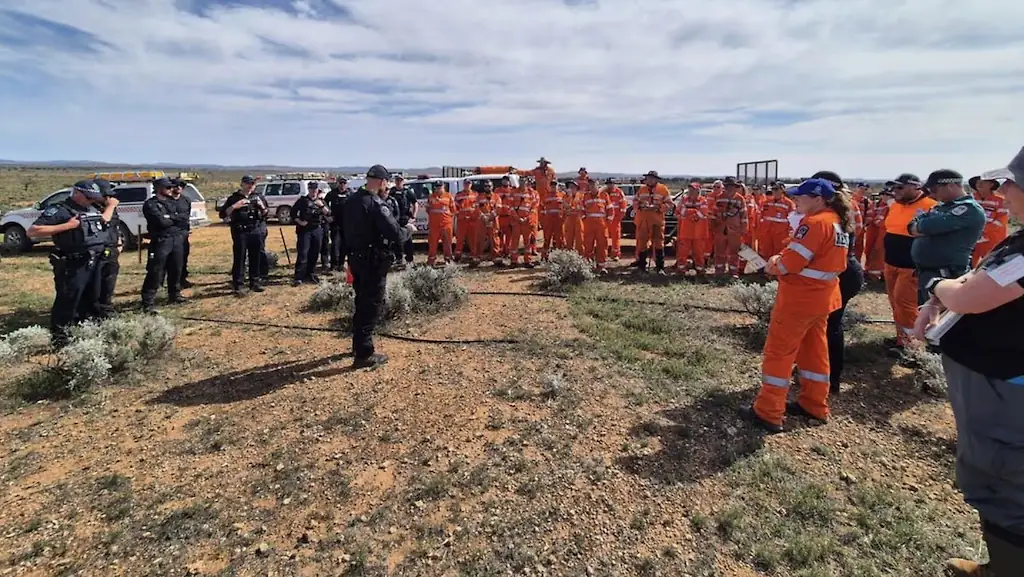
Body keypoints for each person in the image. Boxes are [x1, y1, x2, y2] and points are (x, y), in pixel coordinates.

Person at [914, 147, 1024, 576]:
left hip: (1004, 386)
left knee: (1005, 481)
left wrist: (939, 286)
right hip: (996, 380)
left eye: (1013, 182)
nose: (1005, 190)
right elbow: (978, 278)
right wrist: (937, 296)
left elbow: (969, 295)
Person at [741, 178, 851, 432]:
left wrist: (773, 263)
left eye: (801, 196)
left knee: (779, 353)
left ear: (818, 199)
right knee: (814, 352)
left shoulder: (814, 223)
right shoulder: (836, 222)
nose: (796, 200)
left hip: (800, 299)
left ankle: (768, 412)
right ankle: (814, 404)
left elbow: (791, 263)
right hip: (822, 298)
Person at [28, 181, 109, 346]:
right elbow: (33, 231)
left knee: (91, 298)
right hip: (73, 262)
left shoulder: (90, 208)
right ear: (77, 193)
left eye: (93, 198)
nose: (91, 201)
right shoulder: (60, 210)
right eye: (88, 197)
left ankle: (84, 332)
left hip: (93, 261)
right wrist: (68, 225)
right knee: (68, 300)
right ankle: (60, 339)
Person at [343, 164, 405, 369]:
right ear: (382, 182)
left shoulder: (351, 201)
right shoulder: (376, 204)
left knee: (361, 301)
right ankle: (364, 354)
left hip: (356, 258)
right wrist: (408, 231)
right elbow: (394, 233)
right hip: (373, 261)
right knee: (370, 305)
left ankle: (357, 344)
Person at [809, 171, 865, 395]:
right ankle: (823, 373)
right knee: (831, 324)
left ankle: (829, 379)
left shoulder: (826, 216)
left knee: (829, 325)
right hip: (847, 271)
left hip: (838, 273)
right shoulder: (847, 209)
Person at [909, 169, 985, 305]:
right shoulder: (941, 207)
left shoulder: (969, 209)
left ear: (950, 185)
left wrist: (922, 227)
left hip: (947, 274)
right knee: (925, 315)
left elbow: (927, 226)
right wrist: (921, 227)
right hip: (928, 273)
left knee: (941, 318)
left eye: (934, 189)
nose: (931, 194)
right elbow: (912, 225)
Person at [882, 173, 938, 351]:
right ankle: (902, 339)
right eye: (894, 187)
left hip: (910, 266)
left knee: (906, 305)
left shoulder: (931, 206)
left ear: (916, 187)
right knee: (895, 302)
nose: (895, 191)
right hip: (891, 262)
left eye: (900, 187)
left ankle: (912, 347)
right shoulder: (896, 206)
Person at [140, 177, 190, 313]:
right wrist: (172, 218)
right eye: (168, 188)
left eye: (171, 187)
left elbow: (184, 218)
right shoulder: (151, 204)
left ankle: (175, 294)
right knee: (156, 271)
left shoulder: (172, 202)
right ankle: (148, 301)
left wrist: (170, 217)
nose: (171, 190)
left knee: (176, 268)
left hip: (176, 239)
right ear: (159, 189)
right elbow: (161, 222)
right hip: (161, 241)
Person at [220, 175, 269, 295]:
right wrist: (235, 206)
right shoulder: (234, 198)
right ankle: (238, 284)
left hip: (255, 229)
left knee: (255, 256)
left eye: (252, 184)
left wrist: (261, 206)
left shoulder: (258, 197)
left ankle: (255, 282)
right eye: (247, 184)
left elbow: (266, 213)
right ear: (242, 184)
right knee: (240, 258)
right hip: (240, 231)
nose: (250, 186)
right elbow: (222, 214)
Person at [91, 178, 122, 319]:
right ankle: (95, 312)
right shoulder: (90, 208)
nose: (108, 198)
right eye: (105, 196)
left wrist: (119, 241)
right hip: (96, 251)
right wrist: (110, 207)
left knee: (109, 282)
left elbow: (114, 225)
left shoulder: (109, 208)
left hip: (111, 249)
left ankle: (106, 309)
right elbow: (102, 221)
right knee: (96, 285)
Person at [633, 170, 672, 274]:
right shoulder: (641, 189)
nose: (649, 180)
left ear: (656, 179)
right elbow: (635, 202)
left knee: (659, 243)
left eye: (651, 178)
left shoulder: (663, 189)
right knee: (642, 243)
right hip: (643, 220)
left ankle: (660, 268)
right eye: (648, 178)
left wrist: (658, 208)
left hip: (657, 220)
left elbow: (669, 204)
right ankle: (642, 267)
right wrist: (641, 206)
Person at [292, 181, 329, 285]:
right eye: (312, 189)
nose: (313, 191)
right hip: (305, 230)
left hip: (317, 229)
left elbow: (328, 213)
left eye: (315, 189)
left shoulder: (320, 201)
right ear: (308, 189)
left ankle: (311, 274)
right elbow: (293, 213)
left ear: (318, 190)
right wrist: (299, 221)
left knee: (314, 253)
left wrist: (321, 206)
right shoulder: (303, 201)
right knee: (303, 253)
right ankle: (299, 276)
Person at [712, 177, 748, 278]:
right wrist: (713, 226)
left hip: (735, 230)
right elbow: (714, 213)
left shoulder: (740, 199)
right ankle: (719, 271)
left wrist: (744, 229)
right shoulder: (719, 197)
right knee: (719, 251)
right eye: (727, 186)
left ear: (735, 187)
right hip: (720, 229)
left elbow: (744, 215)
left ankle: (733, 272)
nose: (729, 188)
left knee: (734, 252)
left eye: (731, 186)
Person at [970, 175, 1010, 267]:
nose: (979, 184)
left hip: (993, 243)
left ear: (991, 184)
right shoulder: (970, 199)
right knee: (969, 270)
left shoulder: (1001, 201)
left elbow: (1000, 222)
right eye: (977, 182)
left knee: (991, 268)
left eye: (983, 182)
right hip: (972, 243)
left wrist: (980, 231)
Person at [674, 182, 710, 274]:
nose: (691, 191)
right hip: (684, 232)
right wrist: (694, 212)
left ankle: (700, 270)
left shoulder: (703, 200)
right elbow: (678, 212)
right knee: (682, 252)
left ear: (698, 191)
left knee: (699, 253)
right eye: (690, 189)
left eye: (693, 189)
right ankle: (681, 269)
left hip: (699, 233)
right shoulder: (684, 200)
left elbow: (703, 213)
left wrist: (687, 213)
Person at [757, 182, 796, 261]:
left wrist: (790, 234)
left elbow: (793, 221)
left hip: (781, 234)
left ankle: (776, 270)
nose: (774, 191)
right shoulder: (767, 202)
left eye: (776, 189)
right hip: (767, 232)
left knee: (779, 253)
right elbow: (761, 215)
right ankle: (766, 269)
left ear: (782, 190)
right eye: (773, 189)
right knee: (765, 250)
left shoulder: (789, 204)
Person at [581, 179, 613, 272]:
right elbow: (581, 209)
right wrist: (584, 219)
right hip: (589, 225)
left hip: (601, 225)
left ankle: (601, 266)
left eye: (594, 185)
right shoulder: (585, 196)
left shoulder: (604, 195)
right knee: (588, 245)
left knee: (602, 245)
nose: (592, 187)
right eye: (590, 186)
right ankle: (588, 266)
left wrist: (608, 221)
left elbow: (610, 209)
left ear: (597, 185)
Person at [507, 179, 537, 268]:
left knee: (527, 242)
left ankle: (527, 261)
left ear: (526, 183)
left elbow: (533, 208)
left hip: (526, 222)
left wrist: (527, 218)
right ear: (519, 182)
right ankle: (513, 261)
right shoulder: (513, 192)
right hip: (516, 221)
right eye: (521, 181)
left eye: (524, 181)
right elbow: (510, 207)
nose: (522, 183)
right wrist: (518, 218)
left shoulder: (531, 193)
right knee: (515, 242)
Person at [470, 181, 501, 266]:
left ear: (492, 187)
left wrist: (490, 217)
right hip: (482, 221)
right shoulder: (479, 197)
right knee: (479, 239)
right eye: (486, 186)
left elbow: (498, 208)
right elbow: (476, 208)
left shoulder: (496, 197)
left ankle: (496, 258)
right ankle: (477, 258)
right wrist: (483, 216)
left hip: (493, 221)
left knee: (494, 239)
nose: (488, 187)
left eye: (489, 186)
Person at [425, 181, 456, 266]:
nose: (438, 188)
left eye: (440, 186)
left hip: (446, 224)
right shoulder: (431, 197)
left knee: (447, 243)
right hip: (434, 225)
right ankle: (431, 260)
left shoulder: (449, 196)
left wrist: (446, 218)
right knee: (432, 243)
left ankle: (448, 259)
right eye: (437, 186)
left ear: (444, 186)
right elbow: (427, 209)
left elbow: (453, 210)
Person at [391, 175, 417, 269]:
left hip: (405, 219)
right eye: (397, 180)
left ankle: (409, 260)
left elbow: (415, 203)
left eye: (400, 180)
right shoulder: (391, 191)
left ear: (403, 181)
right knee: (396, 241)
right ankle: (398, 259)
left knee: (408, 241)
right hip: (394, 220)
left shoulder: (408, 191)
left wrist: (413, 216)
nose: (398, 182)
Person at [324, 178, 349, 272]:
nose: (342, 185)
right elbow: (324, 204)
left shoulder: (349, 194)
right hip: (335, 223)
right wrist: (327, 216)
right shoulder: (332, 193)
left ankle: (341, 264)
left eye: (344, 183)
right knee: (335, 244)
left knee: (344, 245)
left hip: (346, 223)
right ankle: (334, 265)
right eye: (340, 183)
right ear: (338, 184)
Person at [540, 179, 566, 260]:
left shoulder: (562, 195)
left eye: (555, 185)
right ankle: (544, 256)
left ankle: (560, 257)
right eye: (552, 185)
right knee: (547, 239)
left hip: (559, 221)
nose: (553, 187)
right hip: (548, 221)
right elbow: (541, 208)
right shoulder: (545, 196)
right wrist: (543, 220)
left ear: (557, 186)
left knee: (559, 240)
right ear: (550, 186)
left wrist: (564, 219)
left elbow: (565, 207)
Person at [604, 178, 628, 261]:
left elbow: (623, 206)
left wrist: (620, 217)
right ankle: (604, 254)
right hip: (605, 219)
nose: (609, 185)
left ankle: (616, 254)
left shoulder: (619, 192)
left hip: (615, 219)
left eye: (611, 183)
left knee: (615, 237)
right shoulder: (603, 192)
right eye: (608, 184)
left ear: (614, 184)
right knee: (604, 237)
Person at [453, 179, 477, 261]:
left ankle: (474, 255)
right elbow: (454, 208)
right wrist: (459, 215)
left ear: (471, 184)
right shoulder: (458, 195)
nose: (467, 185)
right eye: (466, 184)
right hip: (462, 221)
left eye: (469, 183)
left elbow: (478, 208)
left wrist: (474, 216)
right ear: (463, 185)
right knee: (460, 239)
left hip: (472, 221)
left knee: (473, 239)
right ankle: (457, 256)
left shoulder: (475, 194)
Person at [562, 181, 586, 254]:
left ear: (576, 188)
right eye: (569, 187)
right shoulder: (565, 197)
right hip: (569, 219)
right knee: (568, 238)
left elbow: (582, 207)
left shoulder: (581, 196)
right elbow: (564, 207)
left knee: (580, 239)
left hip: (578, 219)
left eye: (573, 187)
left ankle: (580, 255)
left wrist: (574, 207)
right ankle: (570, 256)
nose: (571, 189)